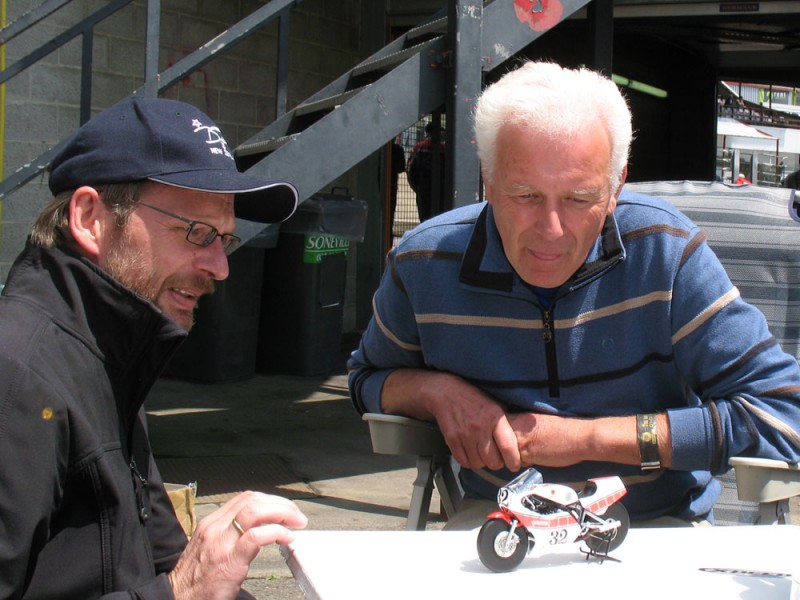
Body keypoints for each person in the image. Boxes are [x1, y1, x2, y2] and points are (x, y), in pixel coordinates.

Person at [348, 61, 800, 528]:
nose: (551, 230)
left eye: (579, 199)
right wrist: (434, 391)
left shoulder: (666, 252)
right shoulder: (423, 264)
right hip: (500, 526)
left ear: (616, 187)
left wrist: (587, 440)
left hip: (658, 529)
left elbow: (784, 413)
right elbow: (366, 381)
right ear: (488, 178)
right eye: (525, 196)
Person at [0, 96, 308, 599]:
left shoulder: (110, 356)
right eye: (196, 232)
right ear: (89, 218)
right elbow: (178, 582)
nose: (220, 266)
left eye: (224, 239)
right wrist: (181, 592)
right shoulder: (16, 378)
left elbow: (162, 556)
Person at [406, 122, 445, 222]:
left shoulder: (419, 147)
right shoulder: (445, 148)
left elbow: (410, 169)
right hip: (442, 188)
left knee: (424, 217)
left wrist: (416, 187)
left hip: (423, 188)